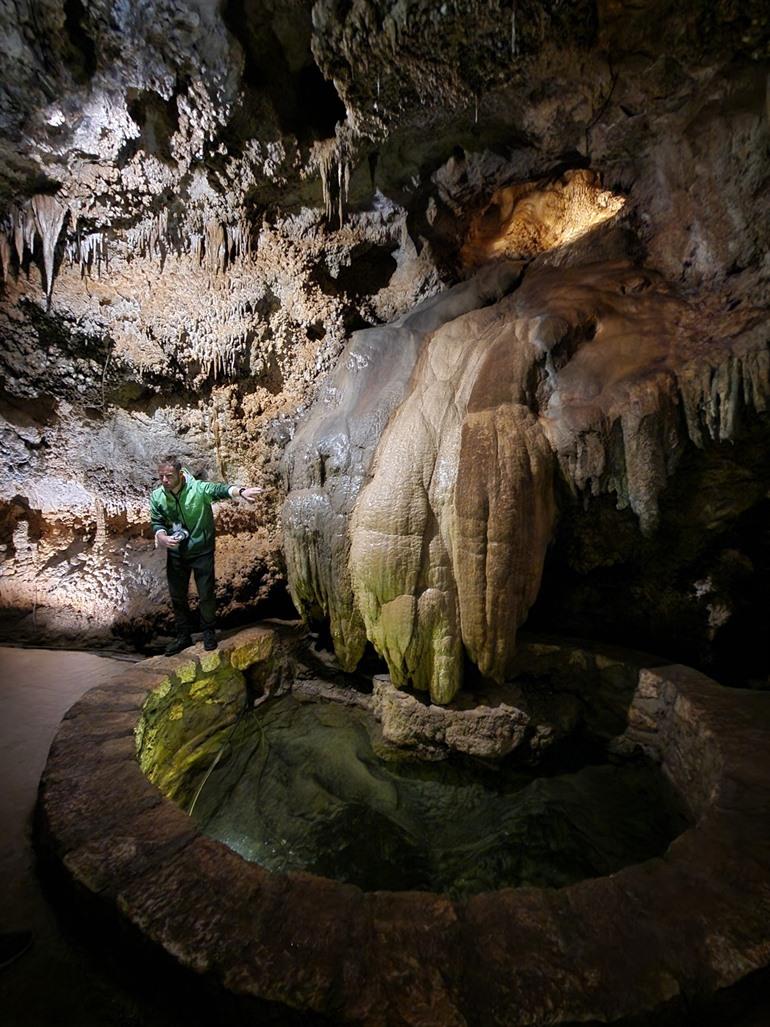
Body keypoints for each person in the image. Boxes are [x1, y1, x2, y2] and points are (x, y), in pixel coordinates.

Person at [150, 455, 262, 655]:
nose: (165, 480)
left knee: (206, 594)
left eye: (169, 476)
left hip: (201, 550)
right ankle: (183, 636)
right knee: (177, 596)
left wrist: (241, 491)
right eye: (161, 477)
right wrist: (162, 537)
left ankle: (208, 631)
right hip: (176, 553)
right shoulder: (158, 496)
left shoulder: (198, 489)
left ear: (180, 475)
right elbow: (157, 520)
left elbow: (220, 490)